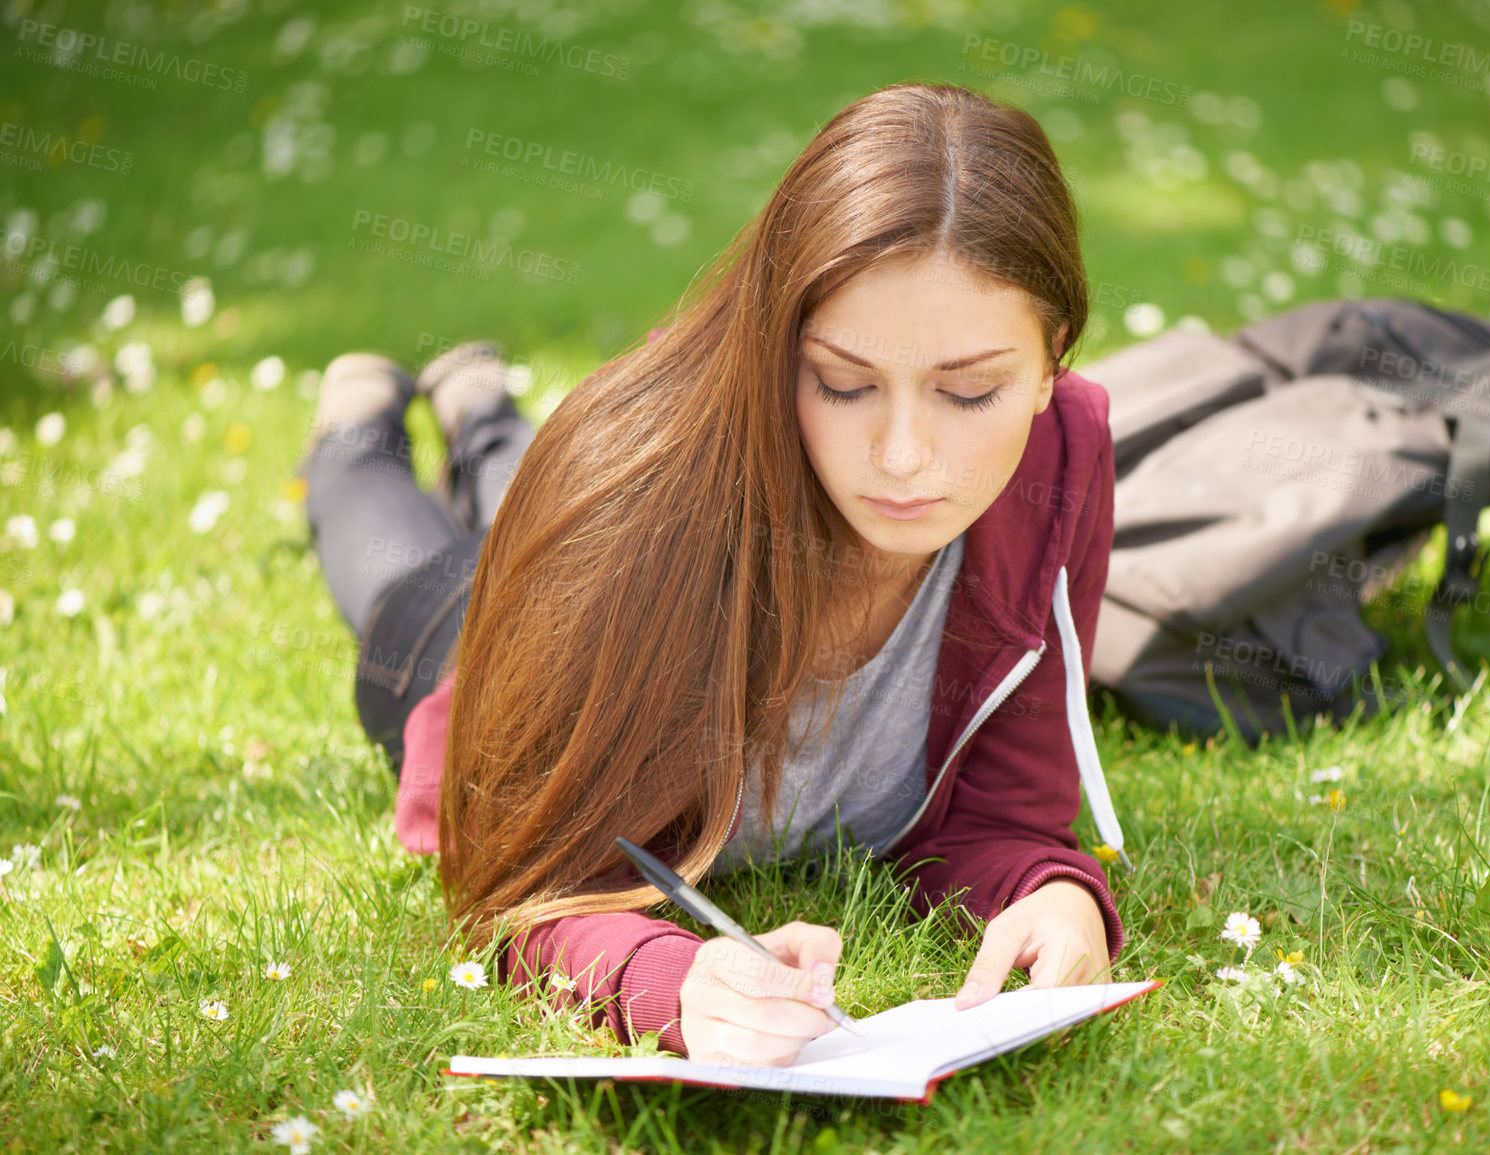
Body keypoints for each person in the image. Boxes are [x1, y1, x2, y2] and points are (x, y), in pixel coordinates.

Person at [298, 81, 1130, 1069]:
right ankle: (357, 429)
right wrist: (671, 983)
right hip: (511, 639)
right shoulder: (632, 494)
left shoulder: (1059, 457)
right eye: (846, 383)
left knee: (514, 478)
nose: (904, 454)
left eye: (970, 390)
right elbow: (525, 881)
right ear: (778, 349)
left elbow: (1004, 813)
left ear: (1052, 361)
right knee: (416, 581)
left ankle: (482, 408)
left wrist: (1055, 894)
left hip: (592, 537)